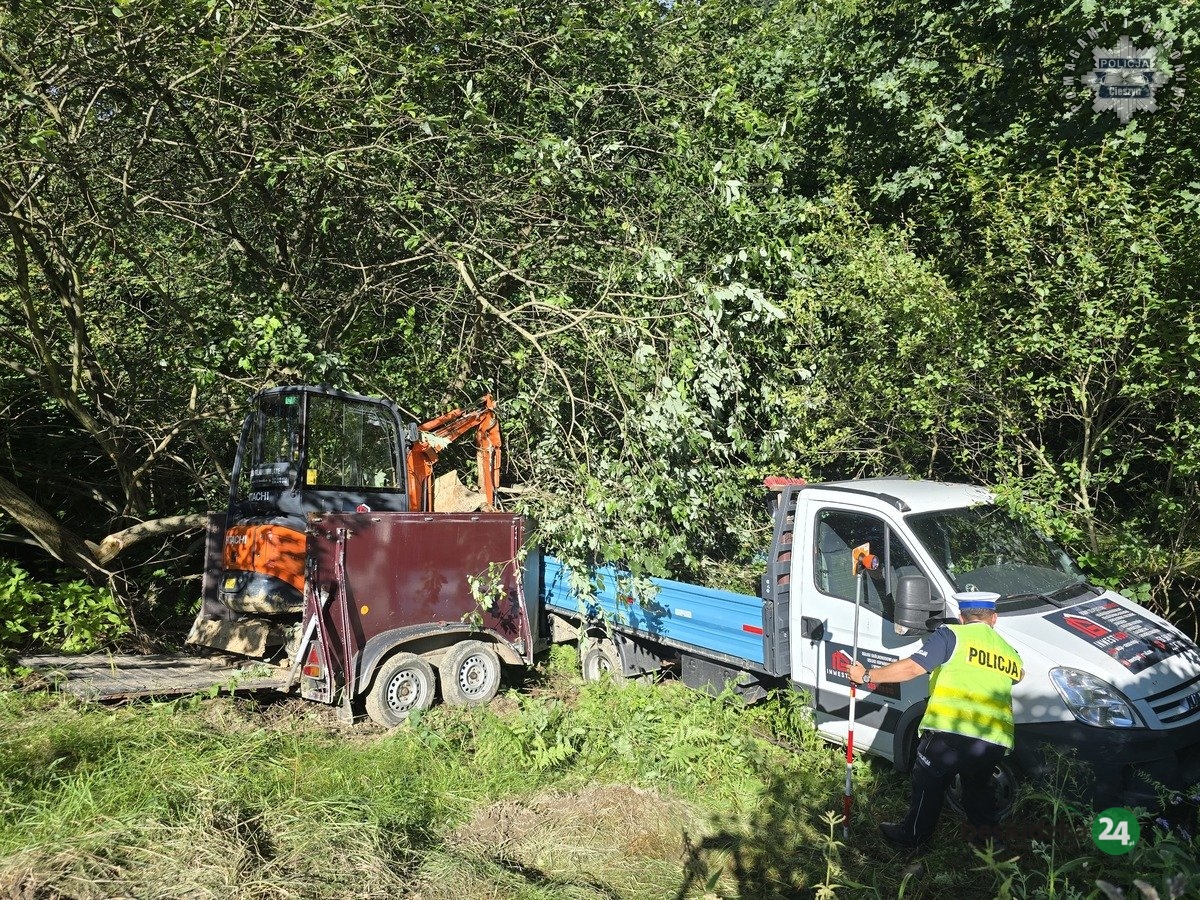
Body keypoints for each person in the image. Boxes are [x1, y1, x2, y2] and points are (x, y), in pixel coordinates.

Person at [847, 591, 1023, 853]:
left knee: (928, 779)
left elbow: (913, 668)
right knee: (978, 788)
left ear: (962, 618)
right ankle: (989, 843)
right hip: (994, 739)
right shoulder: (1009, 652)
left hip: (952, 730)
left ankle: (913, 837)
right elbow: (1019, 675)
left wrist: (866, 675)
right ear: (993, 618)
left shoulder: (952, 635)